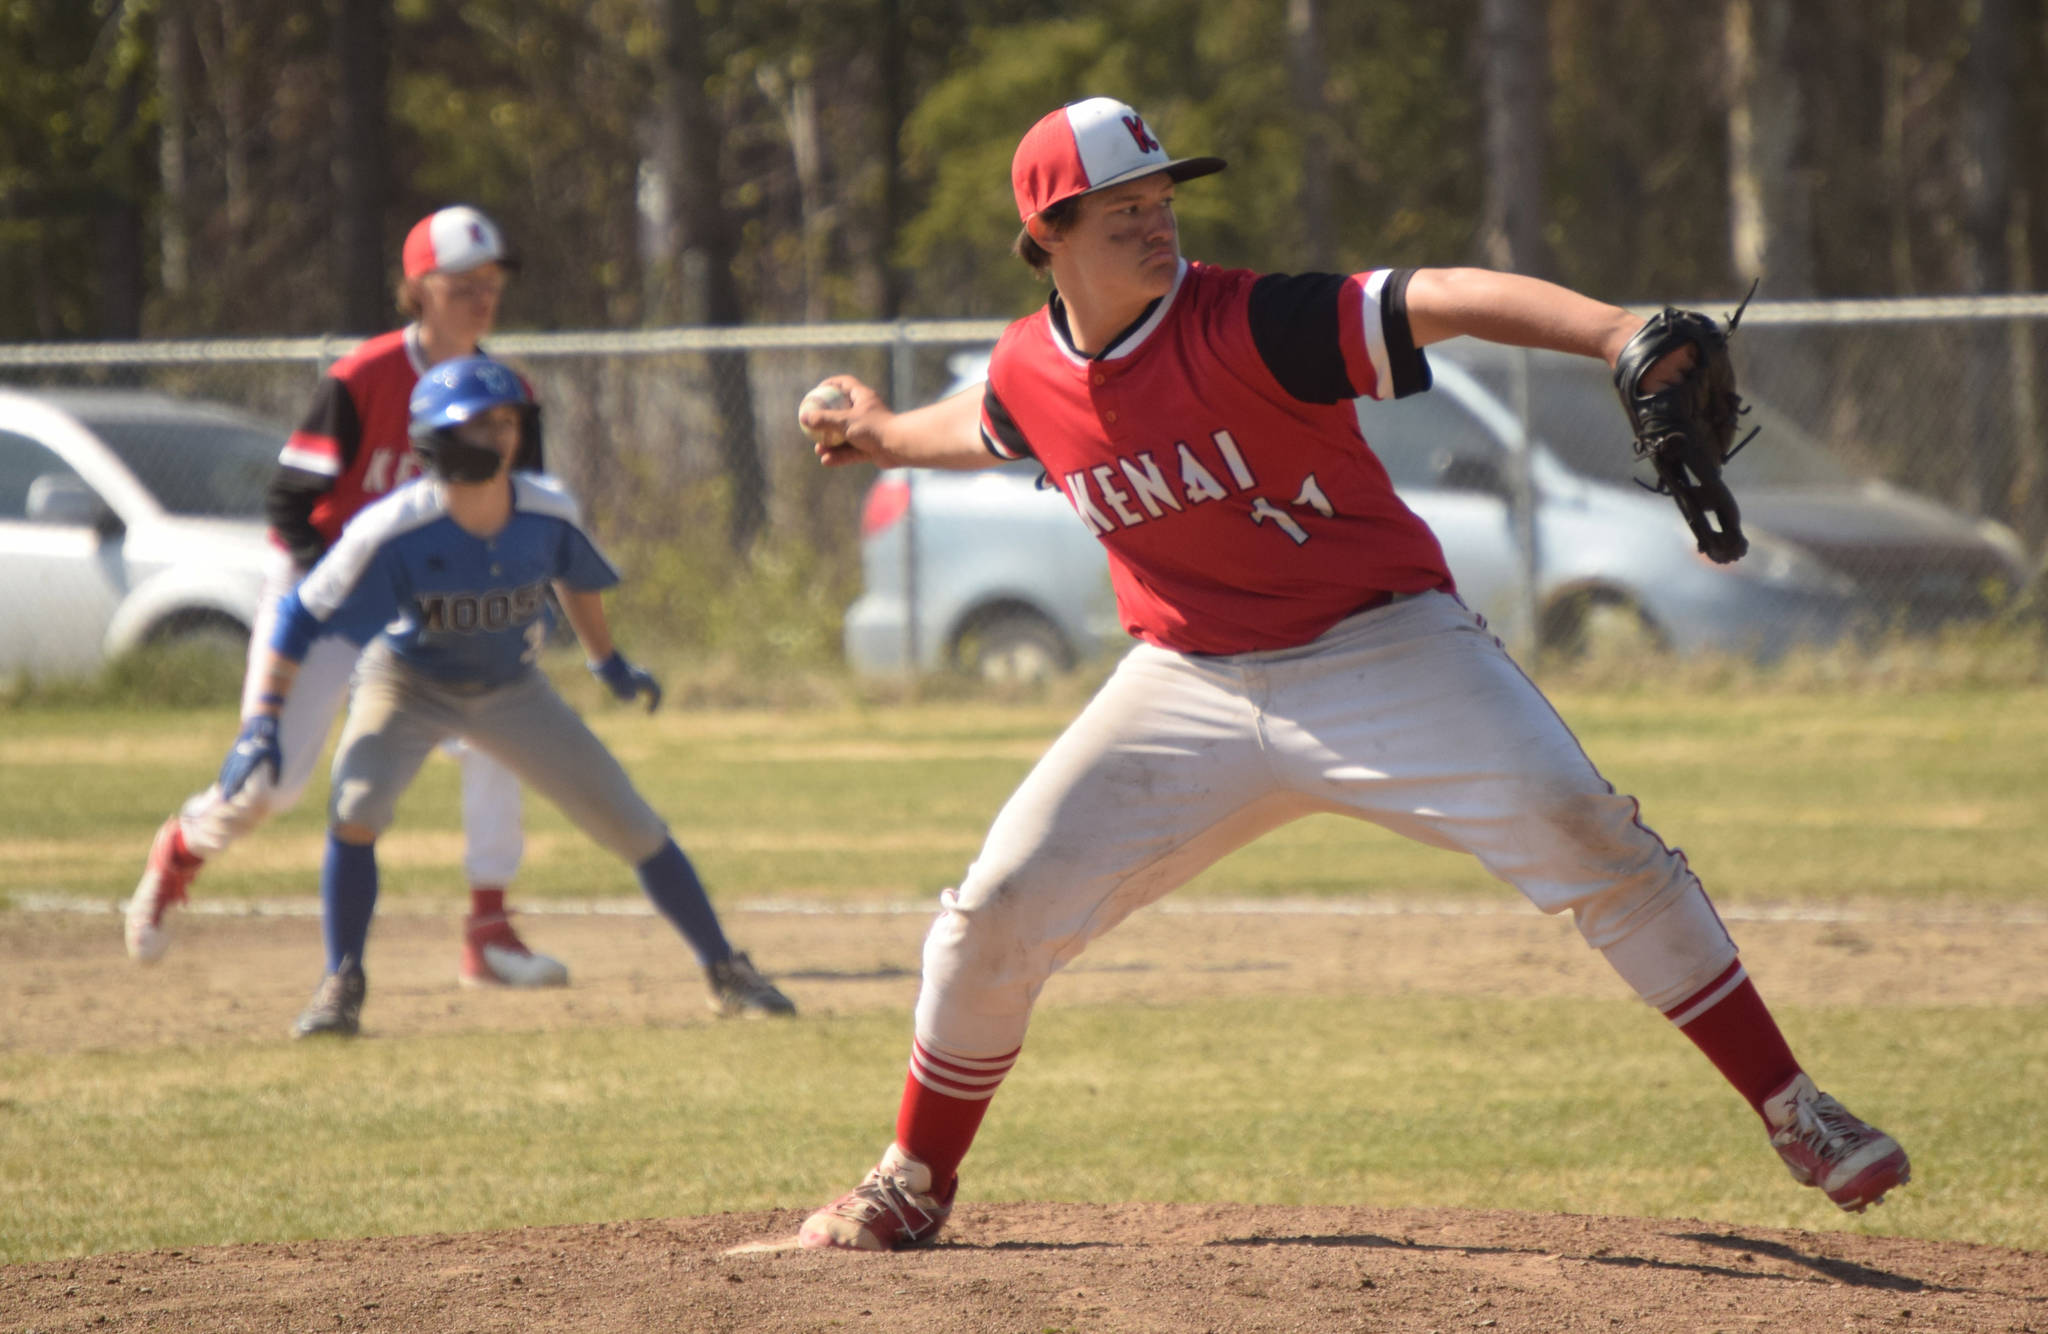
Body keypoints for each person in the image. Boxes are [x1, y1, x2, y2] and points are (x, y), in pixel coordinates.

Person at [788, 96, 1910, 1251]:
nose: (1154, 222)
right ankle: (910, 1179)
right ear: (1048, 232)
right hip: (1186, 684)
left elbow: (1441, 297)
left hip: (1385, 649)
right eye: (1122, 207)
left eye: (1162, 199)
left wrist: (1614, 329)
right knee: (990, 913)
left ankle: (1795, 1108)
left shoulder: (1256, 319)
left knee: (1589, 836)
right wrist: (873, 427)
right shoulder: (1033, 371)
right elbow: (986, 419)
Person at [212, 353, 797, 1036]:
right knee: (356, 806)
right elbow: (297, 615)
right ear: (435, 438)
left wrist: (606, 661)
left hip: (512, 689)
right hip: (407, 682)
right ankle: (340, 981)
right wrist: (261, 721)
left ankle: (725, 970)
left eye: (507, 423)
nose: (499, 438)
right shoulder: (393, 526)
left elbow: (574, 578)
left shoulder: (545, 510)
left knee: (633, 823)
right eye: (478, 425)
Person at [129, 206, 570, 988]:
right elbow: (291, 505)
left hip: (430, 610)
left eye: (491, 282)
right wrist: (355, 586)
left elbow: (515, 514)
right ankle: (183, 846)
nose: (482, 297)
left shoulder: (507, 394)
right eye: (464, 283)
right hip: (324, 595)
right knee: (272, 784)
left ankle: (489, 931)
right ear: (417, 290)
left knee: (497, 734)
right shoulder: (363, 377)